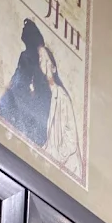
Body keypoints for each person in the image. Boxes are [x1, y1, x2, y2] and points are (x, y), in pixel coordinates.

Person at [0, 19, 51, 147]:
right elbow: (17, 78)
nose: (22, 31)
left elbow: (22, 81)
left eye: (24, 29)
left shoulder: (31, 56)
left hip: (30, 103)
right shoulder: (26, 55)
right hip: (25, 97)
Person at [39, 45, 82, 178]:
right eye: (40, 60)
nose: (43, 64)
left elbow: (71, 139)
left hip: (68, 168)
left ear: (54, 68)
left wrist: (55, 155)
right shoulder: (40, 95)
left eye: (46, 60)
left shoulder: (61, 96)